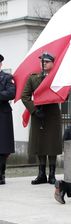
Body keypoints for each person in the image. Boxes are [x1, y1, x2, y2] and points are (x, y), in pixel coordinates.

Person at [21, 52, 62, 185]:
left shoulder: (57, 78)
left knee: (52, 144)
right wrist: (33, 110)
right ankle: (41, 174)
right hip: (38, 114)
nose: (43, 64)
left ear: (52, 63)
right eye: (42, 62)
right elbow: (25, 96)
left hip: (52, 114)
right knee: (40, 144)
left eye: (46, 62)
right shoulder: (33, 78)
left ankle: (52, 174)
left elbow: (64, 95)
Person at [0, 54, 16, 185]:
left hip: (2, 115)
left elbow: (11, 93)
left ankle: (1, 174)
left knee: (3, 147)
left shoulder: (7, 78)